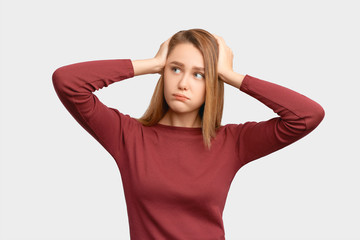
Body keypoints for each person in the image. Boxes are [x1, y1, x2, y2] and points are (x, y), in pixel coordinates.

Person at [52, 28, 324, 240]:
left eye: (199, 75)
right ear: (163, 72)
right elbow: (68, 83)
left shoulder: (232, 143)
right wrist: (151, 63)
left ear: (214, 83)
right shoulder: (127, 136)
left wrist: (230, 74)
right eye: (175, 69)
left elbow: (307, 116)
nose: (182, 83)